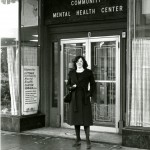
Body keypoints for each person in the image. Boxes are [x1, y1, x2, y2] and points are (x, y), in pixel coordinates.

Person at [66, 55, 96, 149]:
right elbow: (68, 85)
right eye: (78, 61)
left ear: (83, 63)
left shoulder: (88, 72)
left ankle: (88, 140)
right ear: (75, 62)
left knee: (86, 120)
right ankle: (78, 139)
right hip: (74, 98)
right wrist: (71, 88)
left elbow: (93, 84)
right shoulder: (71, 72)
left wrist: (90, 94)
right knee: (76, 120)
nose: (79, 63)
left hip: (84, 98)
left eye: (81, 61)